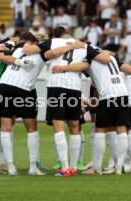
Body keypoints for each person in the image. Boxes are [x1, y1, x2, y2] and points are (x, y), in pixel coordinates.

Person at [23, 27, 110, 176]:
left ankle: (64, 168)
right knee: (75, 126)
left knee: (59, 127)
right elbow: (104, 60)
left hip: (56, 85)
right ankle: (73, 167)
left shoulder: (54, 41)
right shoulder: (84, 45)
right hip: (74, 87)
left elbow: (31, 51)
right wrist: (106, 52)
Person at [51, 53, 131, 175]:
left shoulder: (90, 57)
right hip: (123, 94)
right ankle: (119, 167)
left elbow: (82, 66)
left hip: (108, 95)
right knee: (122, 130)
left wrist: (62, 68)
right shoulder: (109, 56)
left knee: (100, 130)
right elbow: (130, 70)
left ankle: (97, 167)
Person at [0, 32, 51, 176]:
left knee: (5, 129)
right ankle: (32, 167)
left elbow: (0, 57)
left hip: (3, 86)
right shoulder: (44, 52)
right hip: (23, 88)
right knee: (32, 129)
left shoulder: (19, 49)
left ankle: (11, 167)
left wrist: (17, 60)